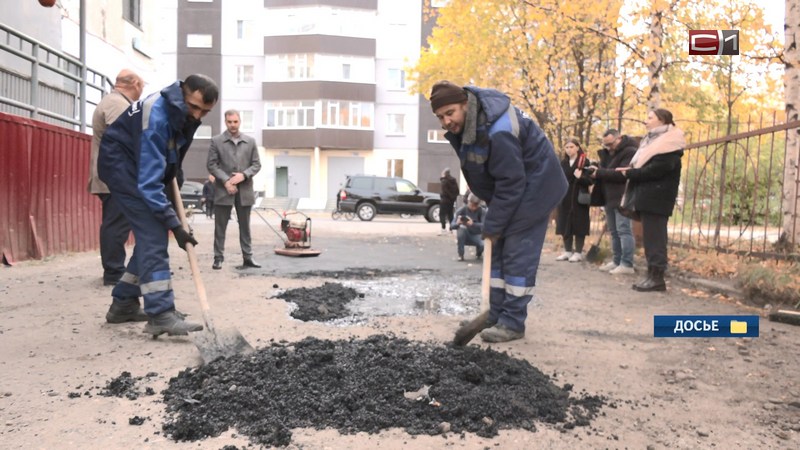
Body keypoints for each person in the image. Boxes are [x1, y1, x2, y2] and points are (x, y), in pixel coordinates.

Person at [430, 80, 567, 343]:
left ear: (464, 105)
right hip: (516, 188)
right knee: (498, 249)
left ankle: (513, 323)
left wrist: (493, 221)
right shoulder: (472, 124)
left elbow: (511, 182)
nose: (446, 121)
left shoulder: (498, 131)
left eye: (450, 113)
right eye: (440, 117)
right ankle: (493, 314)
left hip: (537, 188)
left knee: (517, 252)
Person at [98, 74, 219, 335]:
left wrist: (174, 177)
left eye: (205, 112)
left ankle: (124, 303)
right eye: (194, 107)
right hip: (123, 168)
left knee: (151, 236)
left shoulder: (182, 112)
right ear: (183, 94)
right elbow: (149, 184)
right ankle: (160, 314)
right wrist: (175, 225)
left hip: (145, 166)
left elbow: (172, 155)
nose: (197, 116)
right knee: (154, 235)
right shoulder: (156, 117)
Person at [617, 108, 685, 292]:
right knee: (651, 239)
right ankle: (651, 275)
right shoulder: (653, 141)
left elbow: (657, 170)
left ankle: (657, 278)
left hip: (658, 198)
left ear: (662, 120)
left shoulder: (669, 144)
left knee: (656, 239)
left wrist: (631, 173)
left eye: (649, 118)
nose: (645, 121)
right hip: (648, 197)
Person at [87, 69, 144, 286]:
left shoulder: (115, 101)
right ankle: (113, 272)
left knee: (117, 223)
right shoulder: (116, 104)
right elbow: (122, 137)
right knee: (116, 225)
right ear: (136, 83)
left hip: (113, 175)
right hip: (115, 176)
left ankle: (115, 270)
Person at [207, 109, 262, 270]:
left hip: (245, 191)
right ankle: (218, 258)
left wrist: (243, 175)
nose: (233, 125)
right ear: (225, 122)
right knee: (220, 226)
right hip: (223, 190)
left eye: (235, 122)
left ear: (240, 122)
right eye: (230, 122)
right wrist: (226, 181)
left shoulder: (250, 141)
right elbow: (211, 165)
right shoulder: (216, 141)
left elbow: (256, 164)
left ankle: (248, 257)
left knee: (245, 226)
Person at [590, 129, 637, 275]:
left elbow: (621, 174)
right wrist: (596, 169)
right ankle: (617, 261)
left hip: (622, 196)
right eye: (606, 145)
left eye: (610, 144)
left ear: (620, 138)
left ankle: (627, 263)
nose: (608, 147)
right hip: (608, 196)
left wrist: (599, 172)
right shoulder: (608, 153)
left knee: (624, 230)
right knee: (614, 231)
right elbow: (606, 171)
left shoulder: (630, 151)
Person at [554, 138, 593, 263]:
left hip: (579, 197)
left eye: (571, 147)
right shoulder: (563, 163)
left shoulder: (584, 162)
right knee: (565, 222)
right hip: (565, 196)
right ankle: (567, 251)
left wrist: (580, 177)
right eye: (567, 147)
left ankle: (578, 252)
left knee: (579, 223)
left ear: (577, 147)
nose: (569, 149)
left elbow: (590, 180)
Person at [451, 194, 486, 261]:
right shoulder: (461, 210)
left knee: (483, 244)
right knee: (462, 228)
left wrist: (473, 224)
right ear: (468, 201)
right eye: (471, 205)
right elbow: (452, 226)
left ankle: (478, 253)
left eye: (475, 206)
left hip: (477, 235)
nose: (473, 207)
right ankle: (461, 254)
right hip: (465, 235)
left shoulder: (482, 211)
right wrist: (457, 223)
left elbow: (485, 225)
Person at [439, 168, 459, 235]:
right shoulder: (454, 181)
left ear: (444, 174)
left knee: (442, 214)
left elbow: (444, 191)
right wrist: (453, 198)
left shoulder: (444, 181)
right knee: (450, 215)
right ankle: (451, 229)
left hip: (444, 200)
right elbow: (457, 191)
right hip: (451, 201)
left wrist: (442, 178)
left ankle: (443, 228)